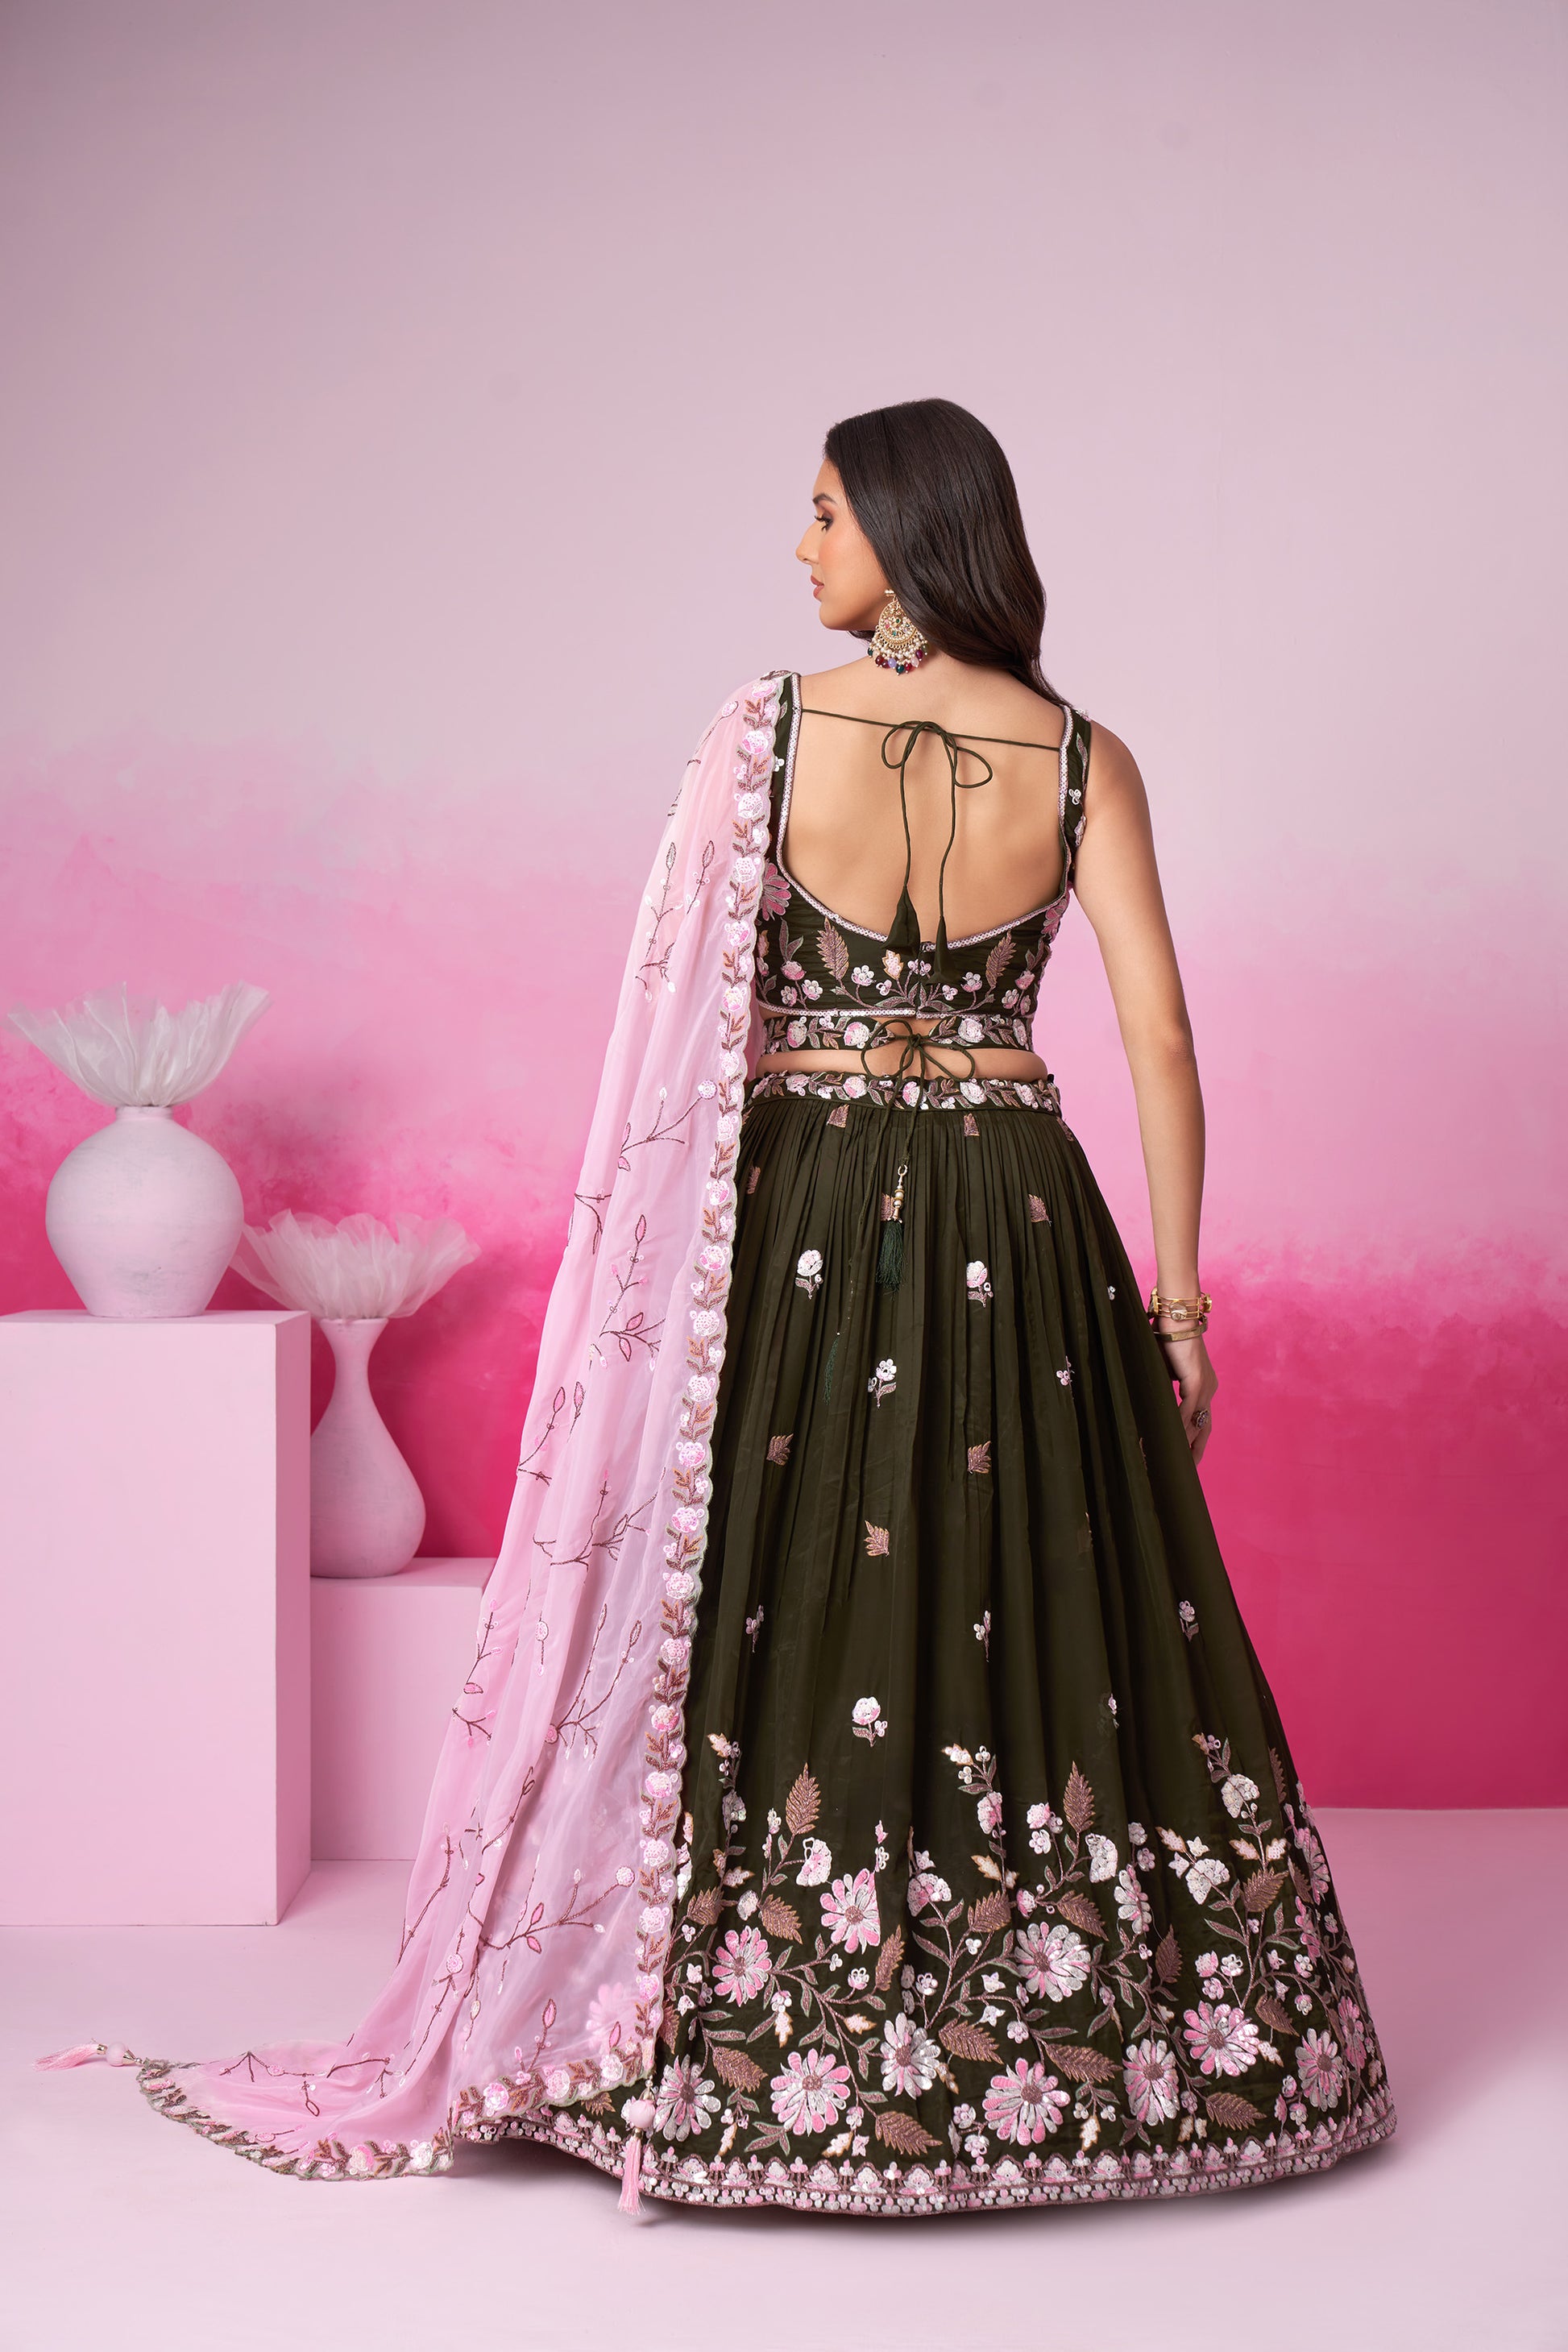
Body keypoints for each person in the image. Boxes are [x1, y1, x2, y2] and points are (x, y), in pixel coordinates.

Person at [44, 398, 1395, 2215]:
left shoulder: (765, 733)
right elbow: (1158, 1035)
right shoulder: (1084, 757)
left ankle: (754, 2024)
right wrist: (1176, 1305)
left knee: (791, 1571)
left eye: (826, 511)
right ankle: (1104, 2048)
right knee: (1026, 1570)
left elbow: (681, 1025)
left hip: (808, 1206)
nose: (801, 545)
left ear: (908, 529)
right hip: (1015, 1204)